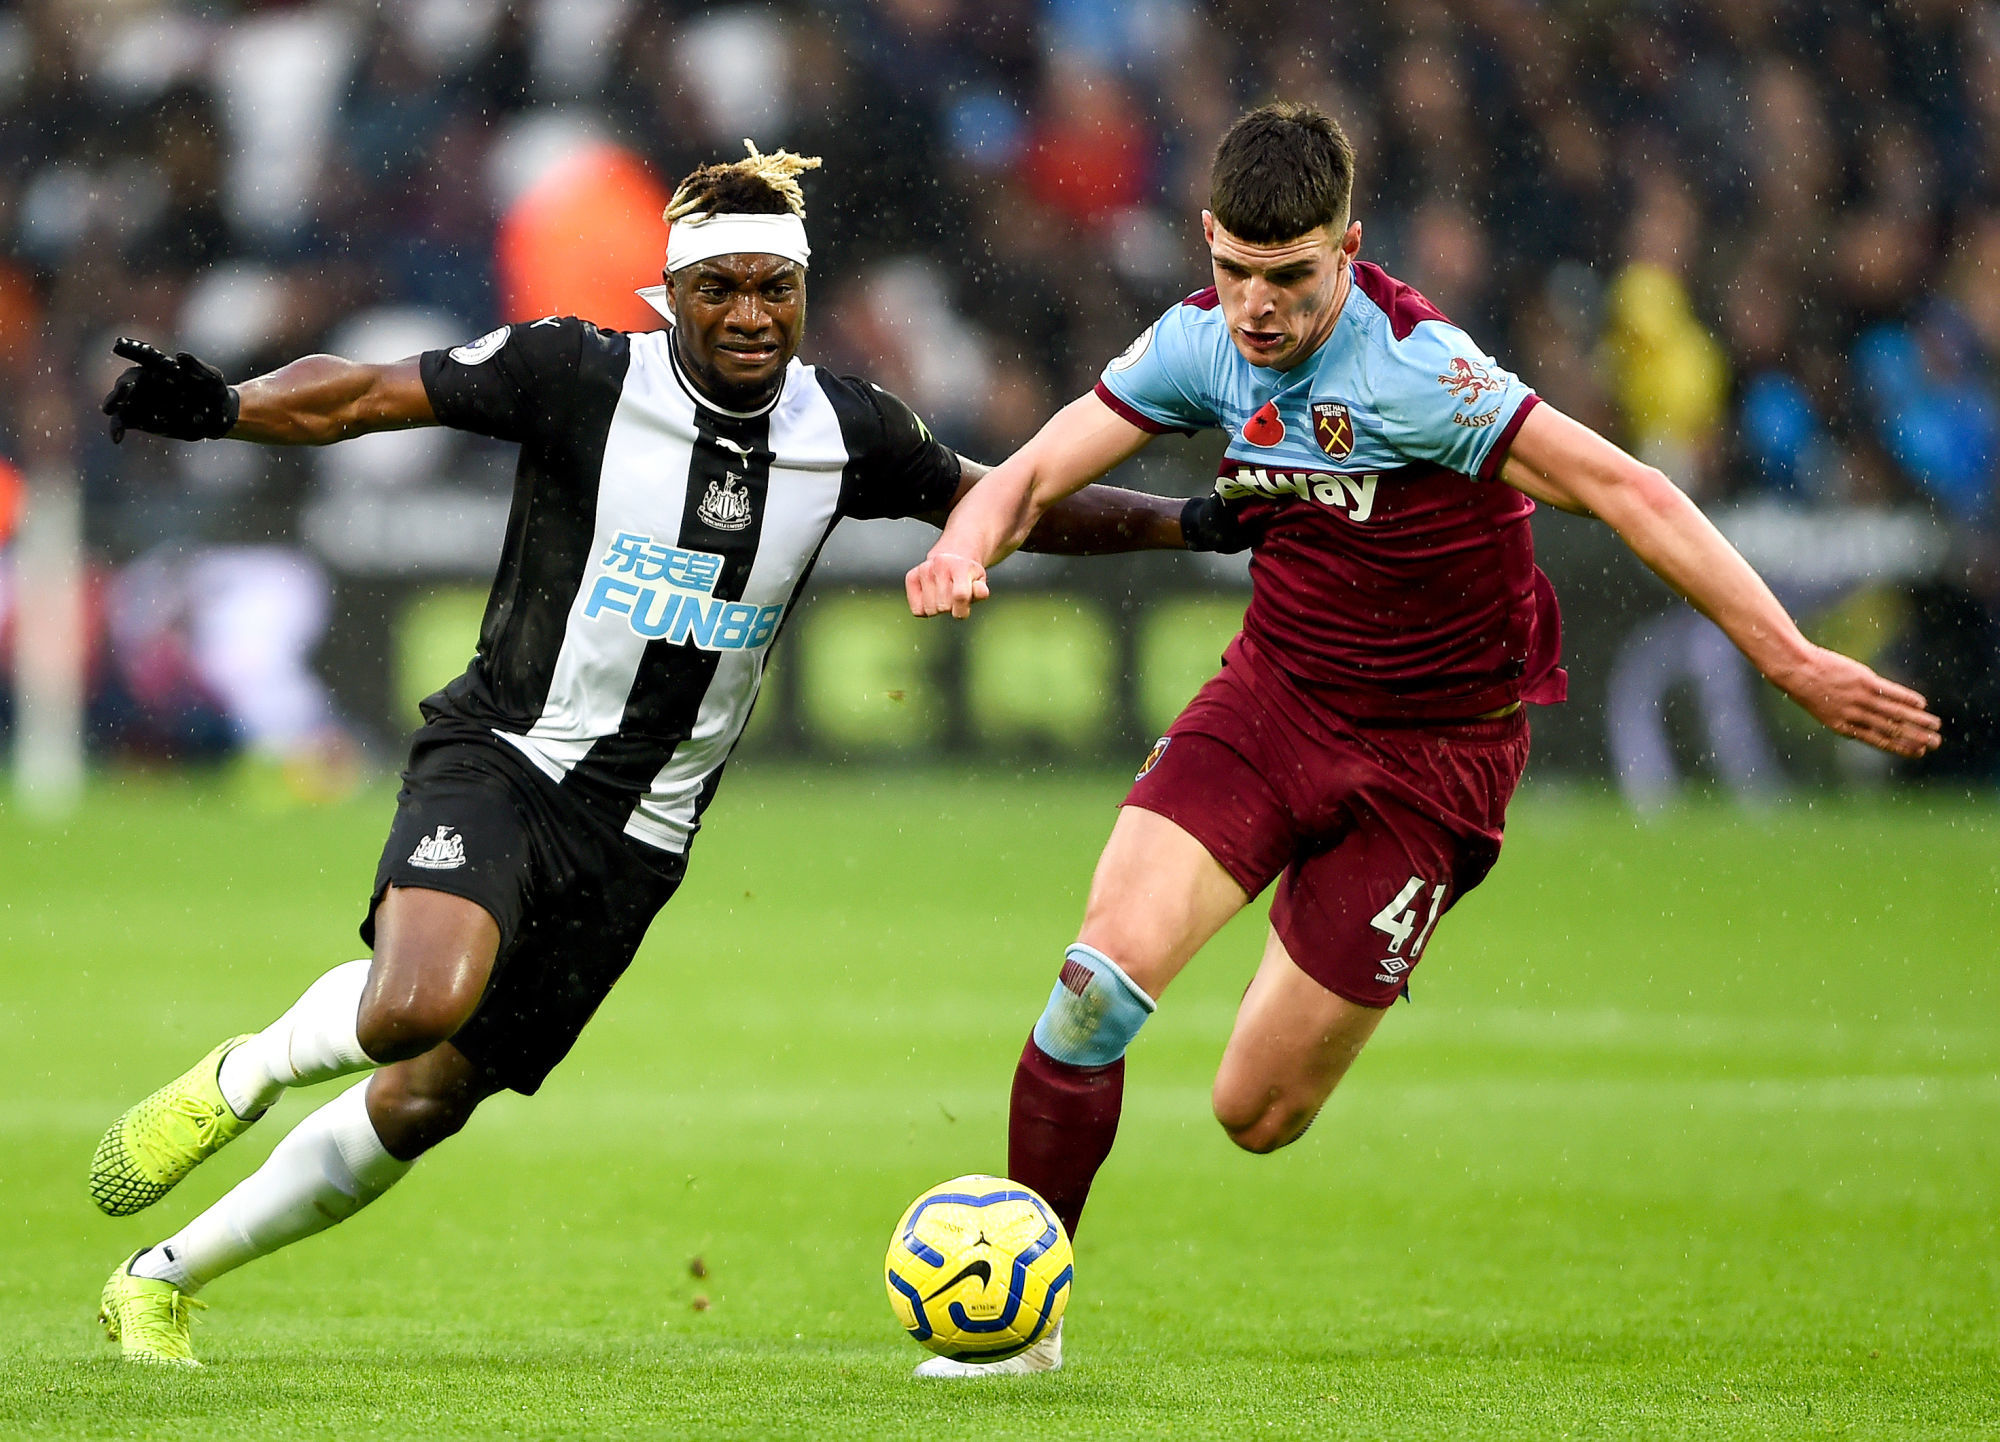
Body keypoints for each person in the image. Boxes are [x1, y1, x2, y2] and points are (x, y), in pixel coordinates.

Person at [89, 143, 1250, 1366]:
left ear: (802, 295)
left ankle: (158, 1281)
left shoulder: (847, 429)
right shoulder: (573, 372)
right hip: (505, 755)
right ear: (671, 295)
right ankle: (248, 1069)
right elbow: (369, 393)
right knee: (414, 1004)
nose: (750, 315)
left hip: (641, 836)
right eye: (719, 290)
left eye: (774, 291)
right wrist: (225, 408)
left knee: (429, 1095)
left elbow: (1009, 499)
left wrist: (1190, 520)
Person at [903, 102, 1943, 1378]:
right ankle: (1022, 1320)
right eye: (1234, 272)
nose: (1256, 309)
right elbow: (1032, 469)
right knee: (1092, 988)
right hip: (1271, 702)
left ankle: (1328, 922)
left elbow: (1628, 487)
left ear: (1351, 245)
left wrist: (1787, 655)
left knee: (1255, 1111)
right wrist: (963, 542)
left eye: (1289, 278)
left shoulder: (1419, 371)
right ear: (1207, 245)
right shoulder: (1196, 341)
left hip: (1433, 760)